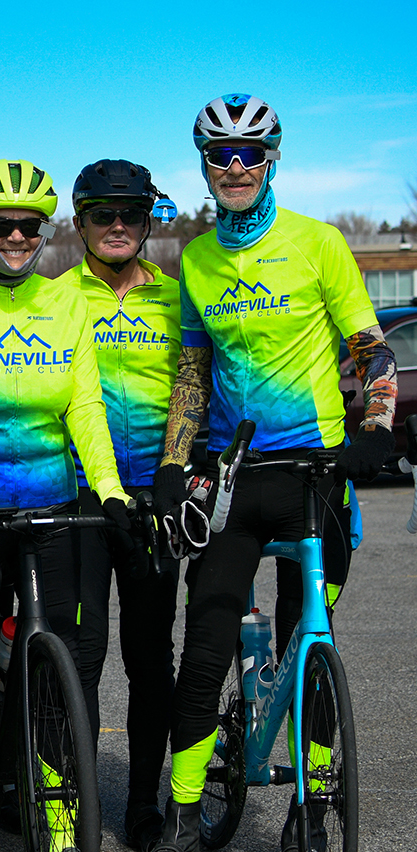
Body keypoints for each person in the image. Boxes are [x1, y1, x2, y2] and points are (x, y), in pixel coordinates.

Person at [148, 94, 395, 852]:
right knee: (207, 639)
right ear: (203, 163)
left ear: (273, 156)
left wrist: (377, 430)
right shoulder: (194, 258)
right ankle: (186, 809)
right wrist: (171, 463)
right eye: (219, 154)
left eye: (249, 152)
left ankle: (314, 800)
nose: (234, 166)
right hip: (234, 477)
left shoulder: (319, 244)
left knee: (311, 633)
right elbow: (193, 369)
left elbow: (370, 348)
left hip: (316, 477)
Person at [0, 160, 132, 852]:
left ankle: (61, 814)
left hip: (52, 512)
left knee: (54, 676)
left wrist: (110, 489)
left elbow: (85, 408)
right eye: (1, 225)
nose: (15, 236)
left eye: (28, 226)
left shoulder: (65, 302)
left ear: (45, 231)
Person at [67, 160, 181, 849]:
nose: (116, 226)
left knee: (148, 658)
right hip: (79, 499)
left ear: (147, 220)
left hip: (151, 502)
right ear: (78, 222)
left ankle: (144, 799)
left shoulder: (175, 299)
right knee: (82, 654)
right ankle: (71, 795)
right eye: (102, 214)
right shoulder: (54, 298)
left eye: (130, 214)